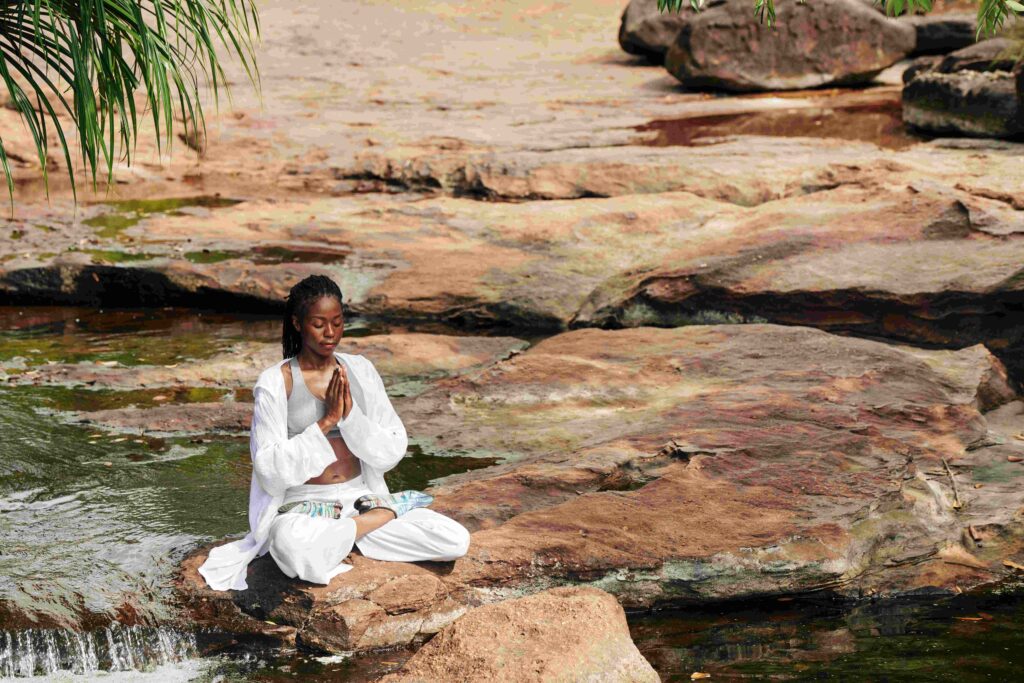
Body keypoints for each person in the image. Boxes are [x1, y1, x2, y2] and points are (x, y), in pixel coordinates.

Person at [198, 275, 470, 591]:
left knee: (454, 540)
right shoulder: (276, 382)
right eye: (319, 324)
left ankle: (344, 534)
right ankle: (374, 522)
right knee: (291, 548)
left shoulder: (361, 371)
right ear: (298, 324)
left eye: (338, 322)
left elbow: (392, 449)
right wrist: (326, 421)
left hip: (362, 498)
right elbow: (269, 471)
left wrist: (351, 415)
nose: (331, 333)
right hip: (305, 508)